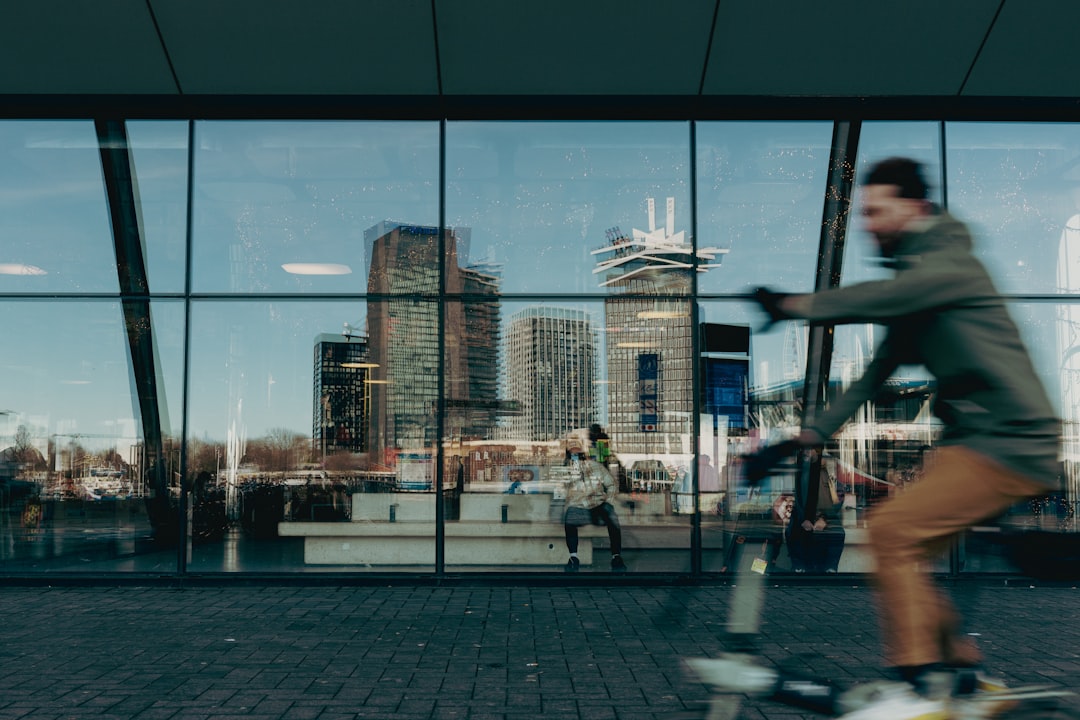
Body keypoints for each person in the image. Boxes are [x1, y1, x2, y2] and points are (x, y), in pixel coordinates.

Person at [746, 157, 1062, 699]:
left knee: (894, 533)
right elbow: (872, 376)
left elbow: (881, 298)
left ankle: (918, 678)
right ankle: (955, 664)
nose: (868, 222)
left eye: (876, 210)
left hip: (1010, 441)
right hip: (977, 445)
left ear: (913, 208)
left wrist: (794, 304)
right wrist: (803, 437)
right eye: (863, 212)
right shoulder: (921, 283)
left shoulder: (948, 266)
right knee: (901, 539)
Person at [562, 434, 627, 572]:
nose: (576, 458)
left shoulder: (596, 467)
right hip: (578, 506)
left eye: (578, 455)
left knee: (613, 518)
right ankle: (573, 557)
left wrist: (608, 501)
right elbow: (559, 490)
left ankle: (616, 556)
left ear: (583, 455)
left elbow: (612, 485)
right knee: (569, 518)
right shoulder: (566, 471)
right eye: (572, 455)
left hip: (598, 504)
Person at [784, 462, 845, 573]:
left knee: (837, 533)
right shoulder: (802, 473)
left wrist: (824, 519)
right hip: (802, 519)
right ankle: (800, 568)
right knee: (793, 532)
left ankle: (830, 569)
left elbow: (836, 500)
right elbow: (797, 502)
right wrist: (804, 519)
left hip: (824, 517)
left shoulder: (826, 474)